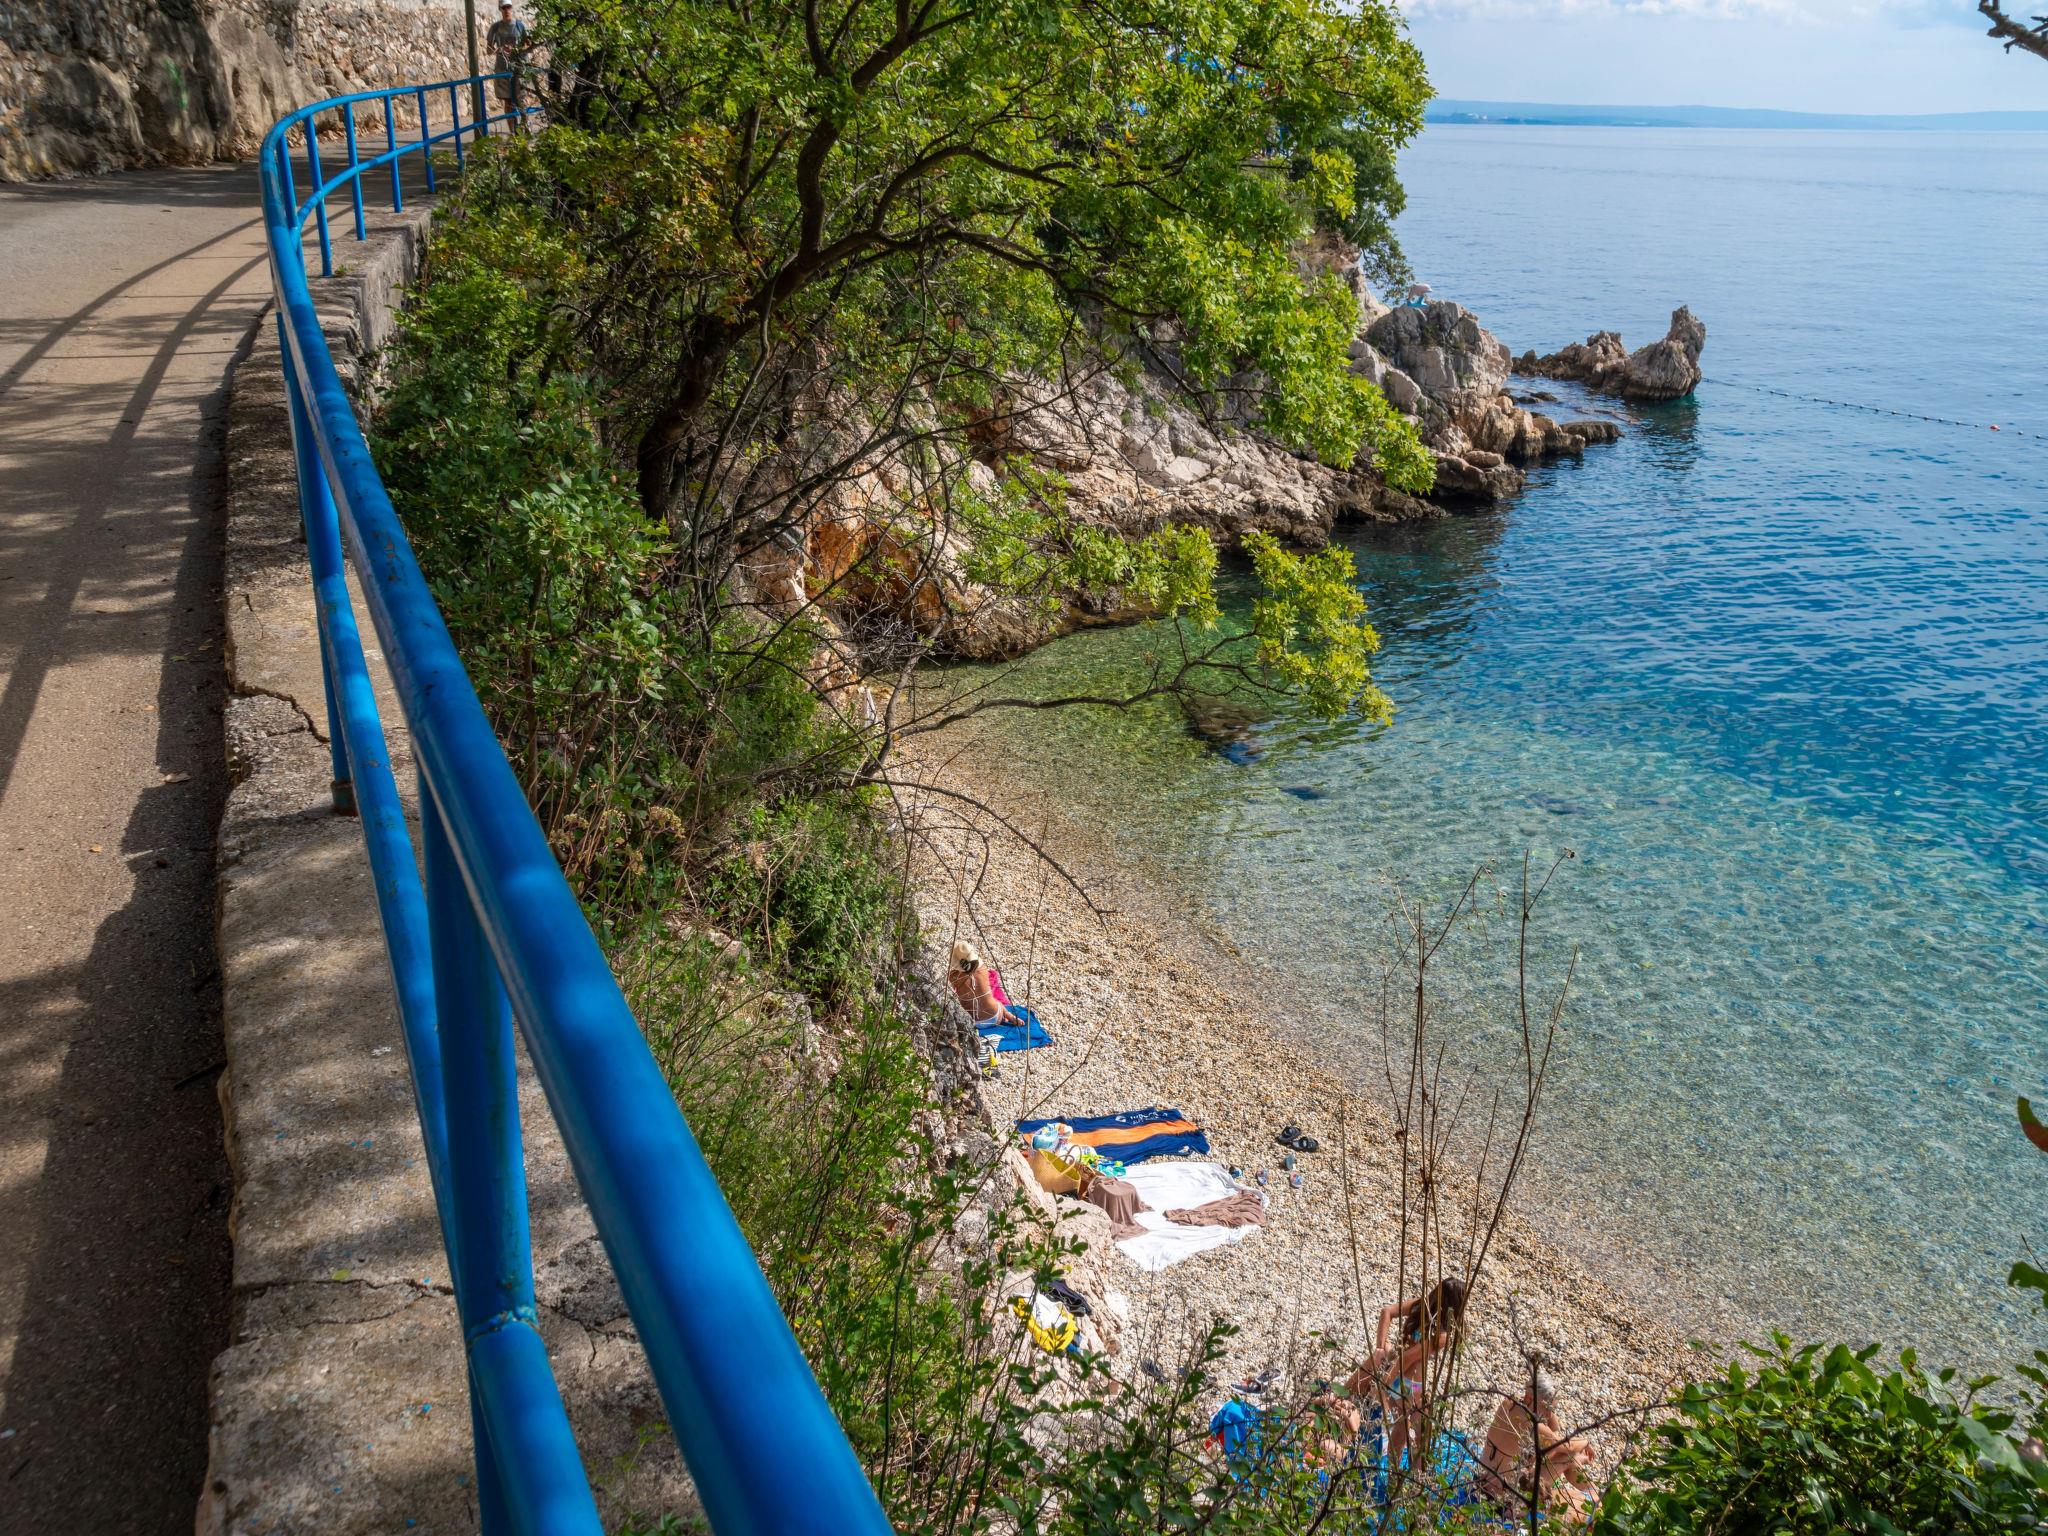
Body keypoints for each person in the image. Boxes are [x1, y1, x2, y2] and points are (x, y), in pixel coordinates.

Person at [1344, 1276, 1467, 1462]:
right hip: (1409, 1384)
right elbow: (1407, 1358)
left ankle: (1338, 1429)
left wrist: (1381, 1348)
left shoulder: (1422, 1306)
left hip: (1392, 1370)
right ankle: (1400, 1474)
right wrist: (1383, 1384)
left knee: (1367, 1413)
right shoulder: (1442, 1334)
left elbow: (1387, 1311)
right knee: (1417, 1437)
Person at [1477, 1371, 1595, 1526]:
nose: (1549, 1414)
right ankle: (1594, 1495)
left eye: (1552, 1409)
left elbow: (1555, 1430)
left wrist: (1548, 1409)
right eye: (1546, 1408)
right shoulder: (1531, 1424)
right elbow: (1567, 1445)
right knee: (1568, 1456)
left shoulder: (1508, 1403)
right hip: (1505, 1502)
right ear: (1529, 1398)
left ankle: (1592, 1492)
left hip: (1480, 1484)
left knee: (1555, 1452)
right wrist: (1586, 1441)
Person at [948, 940, 1011, 1024]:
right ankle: (1007, 1015)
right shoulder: (982, 968)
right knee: (997, 1002)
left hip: (972, 1021)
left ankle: (1005, 1015)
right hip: (995, 1016)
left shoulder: (953, 976)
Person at [486, 2, 530, 113]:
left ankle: (525, 122)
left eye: (508, 7)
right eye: (504, 8)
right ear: (500, 9)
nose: (506, 10)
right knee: (508, 102)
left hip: (519, 68)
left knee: (522, 99)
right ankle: (512, 125)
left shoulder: (520, 26)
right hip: (503, 69)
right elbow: (489, 50)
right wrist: (499, 49)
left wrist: (517, 49)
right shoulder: (495, 27)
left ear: (512, 8)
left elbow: (529, 44)